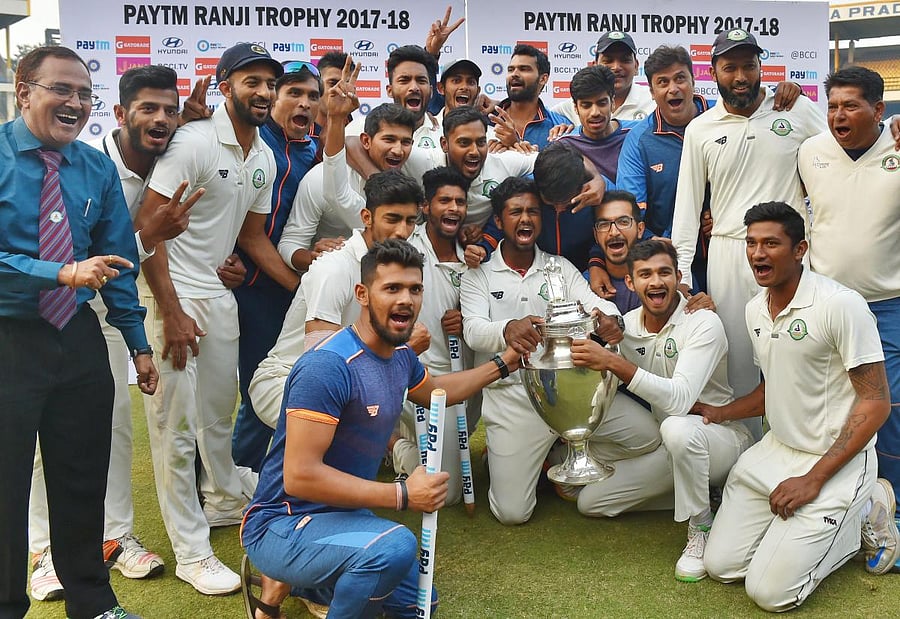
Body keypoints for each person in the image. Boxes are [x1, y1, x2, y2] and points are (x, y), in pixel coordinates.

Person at [26, 64, 201, 602]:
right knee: (39, 437)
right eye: (148, 109)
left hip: (104, 310)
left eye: (171, 111)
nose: (162, 120)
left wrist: (140, 339)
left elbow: (127, 257)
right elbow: (103, 251)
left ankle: (116, 537)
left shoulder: (166, 161)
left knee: (109, 428)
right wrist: (150, 233)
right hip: (38, 312)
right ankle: (41, 550)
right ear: (121, 114)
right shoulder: (90, 163)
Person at [0, 45, 158, 619]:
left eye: (84, 94)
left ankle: (92, 601)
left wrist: (138, 343)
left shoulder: (95, 168)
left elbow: (116, 260)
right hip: (8, 340)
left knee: (82, 475)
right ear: (24, 92)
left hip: (78, 342)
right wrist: (61, 273)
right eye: (60, 89)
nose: (74, 102)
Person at [135, 43, 288, 595]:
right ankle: (191, 552)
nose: (264, 92)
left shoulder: (264, 155)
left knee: (219, 414)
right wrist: (171, 312)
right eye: (252, 81)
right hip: (169, 295)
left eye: (271, 83)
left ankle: (224, 499)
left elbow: (250, 237)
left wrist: (299, 288)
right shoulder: (194, 141)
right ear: (225, 86)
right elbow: (145, 228)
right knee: (174, 431)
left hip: (217, 299)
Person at [700, 202, 899, 610]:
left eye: (771, 243)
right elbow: (773, 388)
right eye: (751, 243)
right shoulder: (755, 309)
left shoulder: (840, 305)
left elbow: (876, 402)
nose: (758, 253)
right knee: (721, 567)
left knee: (770, 594)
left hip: (834, 462)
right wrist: (718, 413)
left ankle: (863, 511)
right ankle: (810, 530)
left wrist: (813, 478)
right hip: (775, 453)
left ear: (799, 249)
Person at [670, 29, 826, 439]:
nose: (741, 76)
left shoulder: (795, 110)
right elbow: (686, 206)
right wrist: (682, 272)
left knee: (799, 354)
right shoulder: (700, 128)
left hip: (790, 255)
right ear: (714, 73)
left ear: (761, 67)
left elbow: (838, 158)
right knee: (738, 361)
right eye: (730, 67)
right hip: (727, 252)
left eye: (749, 66)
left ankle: (803, 448)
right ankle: (743, 460)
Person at [572, 240, 752, 581]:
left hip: (723, 441)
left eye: (664, 273)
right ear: (630, 282)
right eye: (645, 274)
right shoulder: (626, 327)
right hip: (674, 451)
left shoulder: (702, 323)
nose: (656, 282)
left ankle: (700, 527)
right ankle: (706, 492)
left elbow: (679, 401)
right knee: (592, 503)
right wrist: (605, 344)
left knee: (677, 427)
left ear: (678, 277)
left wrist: (613, 360)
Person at [459, 177, 634, 525]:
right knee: (512, 514)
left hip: (569, 392)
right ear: (499, 220)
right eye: (516, 212)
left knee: (644, 437)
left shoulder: (559, 266)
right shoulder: (478, 275)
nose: (525, 220)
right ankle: (521, 456)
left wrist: (612, 321)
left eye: (533, 212)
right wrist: (507, 329)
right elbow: (474, 331)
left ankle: (560, 453)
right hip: (513, 400)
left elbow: (596, 305)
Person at [799, 66, 900, 548]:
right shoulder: (811, 152)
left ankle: (890, 509)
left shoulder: (898, 148)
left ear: (879, 110)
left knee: (889, 408)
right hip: (827, 305)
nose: (839, 114)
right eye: (833, 105)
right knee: (831, 406)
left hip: (888, 306)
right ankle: (841, 505)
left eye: (851, 105)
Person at [250, 170, 423, 433]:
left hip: (341, 378)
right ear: (366, 217)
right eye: (393, 219)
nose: (402, 231)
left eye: (410, 221)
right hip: (285, 379)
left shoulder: (393, 268)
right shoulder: (334, 268)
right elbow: (319, 363)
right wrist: (402, 351)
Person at [231, 59, 322, 471]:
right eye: (294, 93)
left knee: (289, 384)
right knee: (257, 388)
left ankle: (260, 472)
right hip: (251, 287)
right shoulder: (251, 140)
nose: (305, 104)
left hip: (289, 286)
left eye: (312, 96)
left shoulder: (314, 151)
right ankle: (238, 474)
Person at [390, 167, 472, 504]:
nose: (453, 208)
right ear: (427, 206)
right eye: (444, 201)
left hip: (460, 375)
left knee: (451, 485)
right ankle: (392, 442)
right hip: (417, 376)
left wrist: (466, 319)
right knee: (448, 493)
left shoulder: (474, 256)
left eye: (460, 202)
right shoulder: (407, 247)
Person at [278, 101, 416, 273]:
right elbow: (289, 244)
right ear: (366, 140)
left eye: (405, 142)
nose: (398, 150)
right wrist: (313, 258)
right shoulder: (319, 179)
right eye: (389, 139)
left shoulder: (414, 171)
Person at [552, 31, 654, 125]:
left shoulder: (654, 102)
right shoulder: (575, 105)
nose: (616, 67)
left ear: (636, 66)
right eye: (608, 60)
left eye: (625, 60)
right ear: (594, 66)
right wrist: (560, 129)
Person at [557, 64, 635, 182]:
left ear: (612, 102)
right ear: (576, 108)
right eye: (586, 105)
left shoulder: (636, 134)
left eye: (602, 103)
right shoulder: (564, 146)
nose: (595, 112)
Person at [489, 44, 569, 150]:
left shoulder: (560, 127)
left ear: (543, 79)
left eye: (524, 69)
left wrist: (515, 144)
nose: (514, 74)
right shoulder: (486, 120)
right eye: (510, 69)